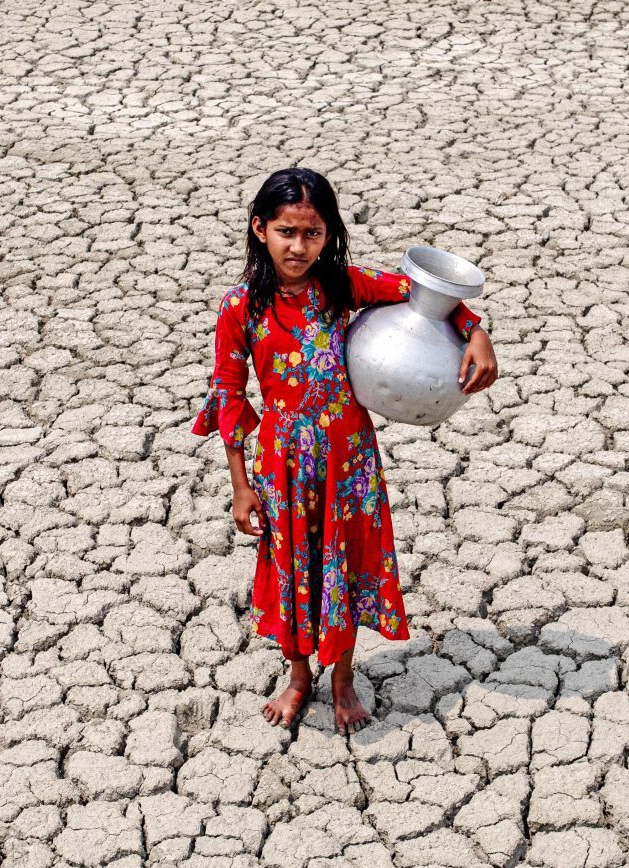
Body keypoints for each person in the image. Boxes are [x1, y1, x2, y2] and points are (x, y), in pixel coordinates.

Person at [191, 167, 498, 733]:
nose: (299, 246)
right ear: (260, 229)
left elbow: (419, 292)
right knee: (295, 569)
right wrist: (239, 485)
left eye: (313, 233)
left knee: (344, 565)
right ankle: (300, 676)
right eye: (287, 231)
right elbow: (228, 397)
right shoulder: (240, 309)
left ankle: (344, 679)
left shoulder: (343, 286)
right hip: (281, 462)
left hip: (348, 460)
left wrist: (475, 329)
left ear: (328, 234)